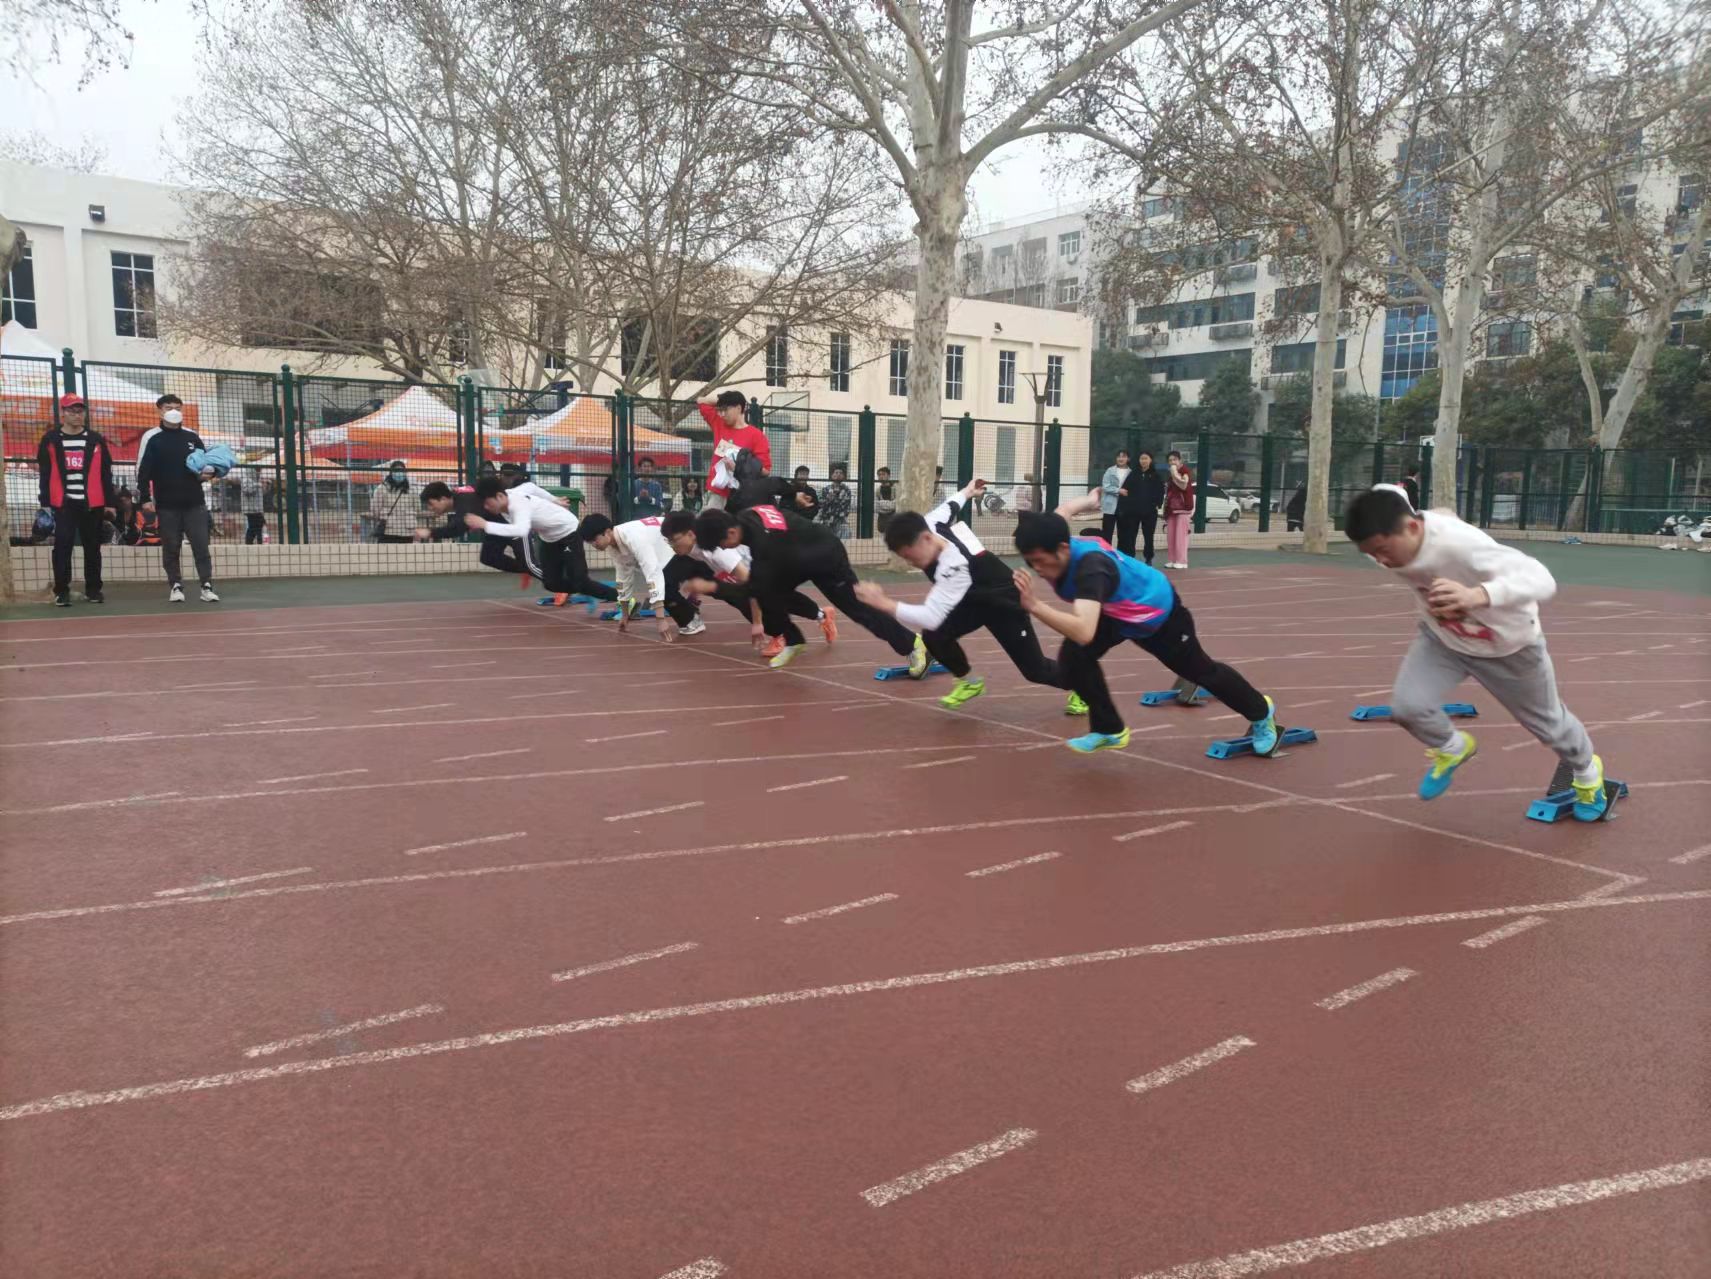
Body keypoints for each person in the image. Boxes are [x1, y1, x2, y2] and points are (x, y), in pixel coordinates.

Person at [1343, 486, 1610, 816]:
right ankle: (1453, 748)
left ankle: (1587, 774)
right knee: (1408, 707)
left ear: (1411, 527)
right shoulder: (1391, 532)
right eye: (1371, 554)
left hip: (1508, 647)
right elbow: (1387, 492)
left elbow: (1542, 579)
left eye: (1383, 550)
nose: (1381, 560)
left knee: (1551, 726)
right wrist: (1436, 512)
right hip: (1443, 640)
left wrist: (1476, 595)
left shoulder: (1463, 546)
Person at [1011, 502, 1280, 754]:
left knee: (1201, 671)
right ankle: (1109, 729)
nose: (1037, 569)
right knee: (1075, 657)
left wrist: (1034, 605)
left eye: (1040, 560)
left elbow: (1083, 631)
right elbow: (1065, 510)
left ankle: (1260, 712)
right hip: (1116, 612)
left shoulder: (1091, 570)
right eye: (1030, 562)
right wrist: (1092, 499)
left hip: (1158, 614)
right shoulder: (1056, 536)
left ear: (1062, 548)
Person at [854, 479, 1067, 711]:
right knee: (934, 636)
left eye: (909, 555)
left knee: (1035, 670)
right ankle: (969, 682)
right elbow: (950, 505)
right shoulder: (930, 523)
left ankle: (1082, 686)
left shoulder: (953, 565)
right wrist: (968, 491)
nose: (910, 561)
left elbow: (931, 616)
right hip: (971, 599)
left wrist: (883, 603)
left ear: (926, 539)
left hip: (1002, 601)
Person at [694, 502, 926, 671]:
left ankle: (914, 644)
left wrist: (713, 588)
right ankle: (794, 640)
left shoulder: (764, 544)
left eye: (721, 544)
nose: (723, 549)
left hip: (825, 556)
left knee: (859, 610)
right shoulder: (748, 513)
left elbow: (753, 586)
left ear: (731, 532)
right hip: (797, 557)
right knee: (768, 592)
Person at [659, 510, 834, 644]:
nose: (671, 545)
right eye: (668, 541)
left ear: (691, 534)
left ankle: (809, 622)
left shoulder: (719, 552)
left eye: (674, 539)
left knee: (775, 599)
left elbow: (753, 584)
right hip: (745, 571)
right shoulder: (691, 549)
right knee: (750, 600)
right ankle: (808, 621)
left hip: (767, 565)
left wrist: (757, 623)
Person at [465, 476, 617, 605]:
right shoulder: (512, 493)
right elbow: (530, 487)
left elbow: (521, 530)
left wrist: (485, 525)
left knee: (580, 581)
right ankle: (591, 589)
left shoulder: (518, 505)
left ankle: (618, 597)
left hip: (569, 532)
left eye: (487, 503)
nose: (486, 507)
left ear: (499, 496)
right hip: (550, 539)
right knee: (551, 583)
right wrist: (554, 499)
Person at [135, 396, 218, 603]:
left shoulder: (192, 436)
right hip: (166, 504)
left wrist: (211, 473)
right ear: (160, 411)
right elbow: (143, 471)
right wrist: (145, 498)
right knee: (171, 547)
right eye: (168, 408)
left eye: (178, 408)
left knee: (201, 546)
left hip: (195, 503)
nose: (174, 411)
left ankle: (206, 586)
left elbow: (206, 464)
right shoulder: (152, 438)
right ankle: (175, 585)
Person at [37, 393, 115, 606]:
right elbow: (45, 472)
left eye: (80, 410)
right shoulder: (51, 439)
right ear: (62, 413)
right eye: (71, 410)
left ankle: (93, 590)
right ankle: (62, 591)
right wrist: (45, 502)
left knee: (93, 547)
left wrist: (110, 502)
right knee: (62, 546)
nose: (77, 415)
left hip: (92, 503)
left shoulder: (95, 439)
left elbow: (106, 473)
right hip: (63, 503)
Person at [576, 513, 678, 642]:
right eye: (590, 543)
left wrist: (660, 619)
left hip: (677, 534)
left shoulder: (634, 537)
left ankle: (691, 619)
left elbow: (652, 572)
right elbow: (623, 578)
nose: (594, 545)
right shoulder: (613, 546)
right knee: (666, 587)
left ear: (607, 532)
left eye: (594, 540)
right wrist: (625, 615)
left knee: (666, 588)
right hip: (667, 548)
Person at [696, 391, 771, 510]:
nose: (722, 414)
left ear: (739, 408)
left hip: (742, 494)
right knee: (711, 520)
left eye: (725, 410)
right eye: (720, 410)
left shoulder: (757, 436)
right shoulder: (718, 423)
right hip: (718, 491)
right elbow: (701, 401)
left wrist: (739, 466)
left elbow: (765, 470)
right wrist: (722, 401)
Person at [1122, 450, 1164, 562]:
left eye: (1146, 458)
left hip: (1150, 512)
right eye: (1141, 459)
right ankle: (1131, 557)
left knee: (1148, 536)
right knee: (1131, 536)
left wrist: (1158, 504)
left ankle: (1148, 557)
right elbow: (1125, 489)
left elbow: (1161, 491)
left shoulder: (1156, 475)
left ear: (1150, 460)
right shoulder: (1133, 474)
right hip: (1133, 511)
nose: (1143, 461)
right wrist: (1128, 504)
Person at [368, 460, 417, 542]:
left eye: (401, 471)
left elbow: (417, 508)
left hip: (405, 532)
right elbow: (375, 510)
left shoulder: (411, 489)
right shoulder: (382, 488)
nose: (399, 473)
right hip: (389, 531)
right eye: (396, 471)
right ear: (391, 473)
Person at [1163, 450, 1195, 569]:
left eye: (1175, 460)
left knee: (1181, 536)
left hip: (1183, 508)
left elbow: (1183, 485)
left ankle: (1182, 561)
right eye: (1170, 460)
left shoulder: (1184, 471)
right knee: (1171, 536)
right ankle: (1172, 559)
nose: (1172, 462)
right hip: (1171, 509)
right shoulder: (1170, 475)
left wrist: (1174, 473)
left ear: (1180, 460)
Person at [1100, 449, 1132, 544]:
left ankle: (1120, 552)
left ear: (1128, 459)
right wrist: (1119, 491)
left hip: (1124, 507)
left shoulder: (1131, 472)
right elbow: (1105, 486)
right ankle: (1107, 552)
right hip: (1110, 506)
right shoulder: (1110, 471)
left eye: (1123, 456)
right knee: (1107, 533)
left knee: (1123, 534)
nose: (1121, 459)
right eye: (1119, 456)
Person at [820, 463, 852, 539]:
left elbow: (845, 506)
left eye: (841, 473)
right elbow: (822, 505)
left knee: (844, 539)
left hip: (841, 520)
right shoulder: (825, 489)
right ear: (832, 475)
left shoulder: (847, 490)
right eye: (836, 472)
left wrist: (831, 501)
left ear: (844, 476)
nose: (838, 474)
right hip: (827, 520)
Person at [239, 466, 267, 544]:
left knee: (258, 525)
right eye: (257, 470)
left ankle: (256, 541)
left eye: (260, 470)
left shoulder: (257, 480)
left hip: (258, 508)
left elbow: (262, 493)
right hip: (250, 509)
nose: (259, 472)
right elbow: (247, 490)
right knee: (255, 526)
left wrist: (267, 485)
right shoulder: (246, 479)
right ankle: (251, 542)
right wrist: (258, 485)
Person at [875, 465, 898, 533]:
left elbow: (896, 504)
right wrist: (890, 505)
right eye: (879, 475)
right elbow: (876, 506)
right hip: (882, 521)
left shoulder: (896, 488)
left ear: (889, 475)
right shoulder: (878, 490)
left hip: (894, 519)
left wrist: (882, 504)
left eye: (883, 474)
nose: (881, 476)